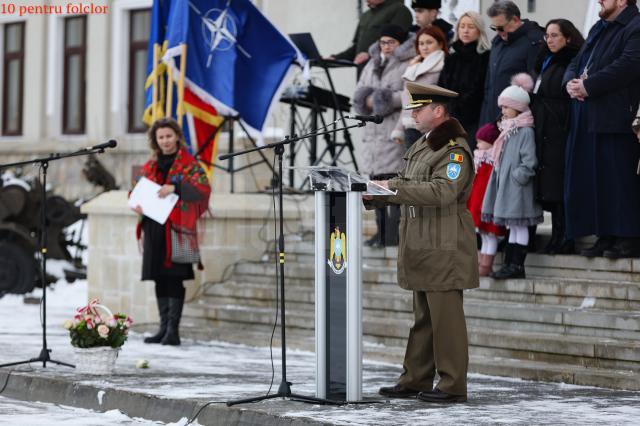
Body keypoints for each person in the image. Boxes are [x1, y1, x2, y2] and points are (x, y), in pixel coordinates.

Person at [368, 82, 478, 403]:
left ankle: (452, 384)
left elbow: (443, 191)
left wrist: (392, 188)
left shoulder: (454, 149)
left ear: (438, 111)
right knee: (425, 318)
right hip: (422, 241)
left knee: (447, 320)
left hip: (444, 240)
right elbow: (407, 182)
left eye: (419, 109)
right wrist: (376, 191)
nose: (413, 114)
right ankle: (415, 378)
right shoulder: (425, 144)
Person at [563, 0, 640, 259]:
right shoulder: (599, 27)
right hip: (588, 115)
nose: (599, 0)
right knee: (597, 180)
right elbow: (577, 61)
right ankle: (604, 234)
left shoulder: (635, 25)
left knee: (620, 179)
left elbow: (628, 64)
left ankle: (627, 237)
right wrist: (570, 84)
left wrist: (589, 86)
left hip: (617, 115)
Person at [131, 118, 211, 346]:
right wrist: (136, 203)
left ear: (177, 136)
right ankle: (163, 328)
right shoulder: (150, 164)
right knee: (159, 278)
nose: (165, 141)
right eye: (161, 137)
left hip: (179, 229)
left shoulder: (188, 163)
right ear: (155, 140)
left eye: (169, 136)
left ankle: (173, 331)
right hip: (155, 227)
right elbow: (136, 190)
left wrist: (175, 188)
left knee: (174, 277)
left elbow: (203, 190)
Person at [353, 24, 414, 248]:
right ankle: (380, 232)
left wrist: (383, 99)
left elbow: (408, 94)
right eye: (383, 42)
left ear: (400, 44)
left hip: (392, 129)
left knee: (393, 182)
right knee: (374, 184)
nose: (386, 47)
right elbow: (360, 89)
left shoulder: (408, 62)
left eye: (391, 43)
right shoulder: (372, 62)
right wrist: (366, 99)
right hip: (373, 131)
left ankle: (393, 233)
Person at [530, 19, 584, 255]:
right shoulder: (545, 60)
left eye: (555, 35)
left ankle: (566, 237)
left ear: (568, 38)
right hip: (544, 129)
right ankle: (557, 235)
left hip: (560, 129)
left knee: (560, 183)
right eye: (547, 36)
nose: (549, 40)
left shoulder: (572, 60)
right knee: (548, 184)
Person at [481, 74, 543, 280]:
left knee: (519, 225)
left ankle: (517, 265)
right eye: (502, 107)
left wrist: (517, 176)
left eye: (506, 107)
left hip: (518, 187)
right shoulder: (508, 129)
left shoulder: (524, 130)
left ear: (518, 107)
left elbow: (529, 160)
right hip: (508, 186)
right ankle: (510, 262)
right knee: (513, 226)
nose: (503, 111)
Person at [478, 0, 544, 127]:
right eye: (494, 28)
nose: (498, 32)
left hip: (516, 121)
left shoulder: (534, 42)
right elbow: (489, 83)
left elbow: (535, 86)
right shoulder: (498, 42)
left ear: (515, 19)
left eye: (501, 27)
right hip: (491, 116)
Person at [437, 11, 491, 150]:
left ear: (479, 30)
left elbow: (480, 89)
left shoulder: (485, 57)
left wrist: (459, 106)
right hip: (448, 119)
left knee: (465, 160)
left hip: (473, 120)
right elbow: (441, 86)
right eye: (462, 26)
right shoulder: (451, 56)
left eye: (471, 27)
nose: (465, 31)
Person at [391, 26, 448, 150]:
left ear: (440, 44)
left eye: (429, 42)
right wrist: (398, 130)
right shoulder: (413, 68)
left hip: (432, 128)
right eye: (421, 43)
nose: (425, 47)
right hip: (411, 128)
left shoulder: (444, 66)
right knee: (414, 167)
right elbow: (406, 104)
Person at [466, 122, 506, 276]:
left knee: (491, 235)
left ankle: (485, 265)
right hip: (477, 203)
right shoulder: (478, 160)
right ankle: (481, 262)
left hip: (488, 204)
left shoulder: (492, 162)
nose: (477, 144)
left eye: (480, 141)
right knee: (483, 235)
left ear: (490, 142)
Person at [331, 0, 412, 74]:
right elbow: (356, 48)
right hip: (363, 75)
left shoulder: (400, 10)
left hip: (386, 75)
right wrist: (335, 58)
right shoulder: (365, 16)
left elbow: (397, 44)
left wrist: (370, 54)